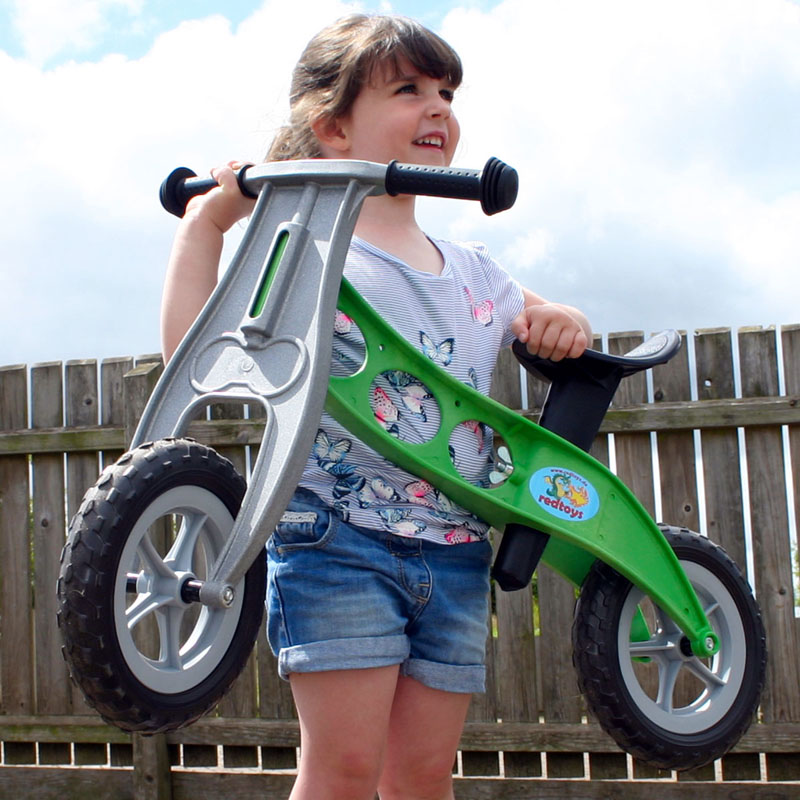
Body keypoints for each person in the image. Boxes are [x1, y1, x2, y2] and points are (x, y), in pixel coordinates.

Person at [161, 14, 591, 800]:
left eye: (447, 92)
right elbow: (195, 352)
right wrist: (205, 229)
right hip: (336, 539)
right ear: (330, 127)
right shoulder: (303, 256)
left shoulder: (475, 271)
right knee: (346, 770)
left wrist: (564, 323)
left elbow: (549, 320)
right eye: (408, 90)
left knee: (423, 777)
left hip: (456, 548)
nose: (438, 108)